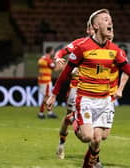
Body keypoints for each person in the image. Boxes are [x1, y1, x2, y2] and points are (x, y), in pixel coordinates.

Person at [46, 9, 130, 168]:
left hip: (106, 99)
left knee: (99, 138)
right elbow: (65, 73)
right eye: (106, 19)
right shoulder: (82, 47)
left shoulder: (115, 50)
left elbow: (128, 69)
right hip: (86, 98)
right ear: (96, 25)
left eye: (111, 20)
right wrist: (53, 95)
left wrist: (120, 88)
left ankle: (88, 165)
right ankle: (74, 118)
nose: (110, 22)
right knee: (87, 137)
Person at [55, 22, 95, 159]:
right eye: (91, 27)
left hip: (93, 89)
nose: (93, 30)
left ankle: (93, 155)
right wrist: (58, 58)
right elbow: (61, 52)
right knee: (69, 116)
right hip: (76, 86)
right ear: (88, 30)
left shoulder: (103, 48)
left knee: (93, 122)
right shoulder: (79, 43)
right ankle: (61, 144)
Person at [37, 46, 60, 119]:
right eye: (53, 51)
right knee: (46, 97)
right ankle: (41, 113)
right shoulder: (48, 60)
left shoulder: (41, 59)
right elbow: (55, 68)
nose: (53, 52)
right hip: (46, 81)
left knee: (47, 96)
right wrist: (59, 64)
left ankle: (49, 112)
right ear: (51, 51)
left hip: (41, 80)